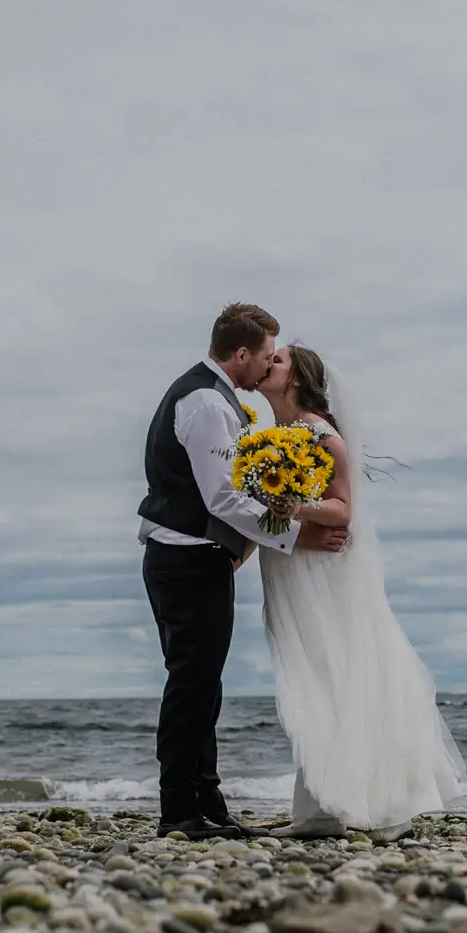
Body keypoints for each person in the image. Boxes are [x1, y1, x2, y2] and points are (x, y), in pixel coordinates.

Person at [138, 304, 349, 840]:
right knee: (192, 684)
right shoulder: (207, 402)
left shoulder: (213, 398)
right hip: (186, 557)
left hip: (194, 556)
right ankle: (178, 812)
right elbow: (224, 497)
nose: (264, 368)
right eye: (263, 356)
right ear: (240, 355)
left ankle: (208, 806)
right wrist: (295, 535)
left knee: (204, 685)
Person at [254, 343, 463, 841]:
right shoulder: (275, 437)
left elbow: (342, 510)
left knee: (331, 676)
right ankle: (319, 809)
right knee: (310, 680)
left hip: (319, 573)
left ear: (299, 380)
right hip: (290, 566)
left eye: (278, 360)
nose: (268, 364)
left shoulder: (322, 435)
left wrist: (291, 504)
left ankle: (383, 808)